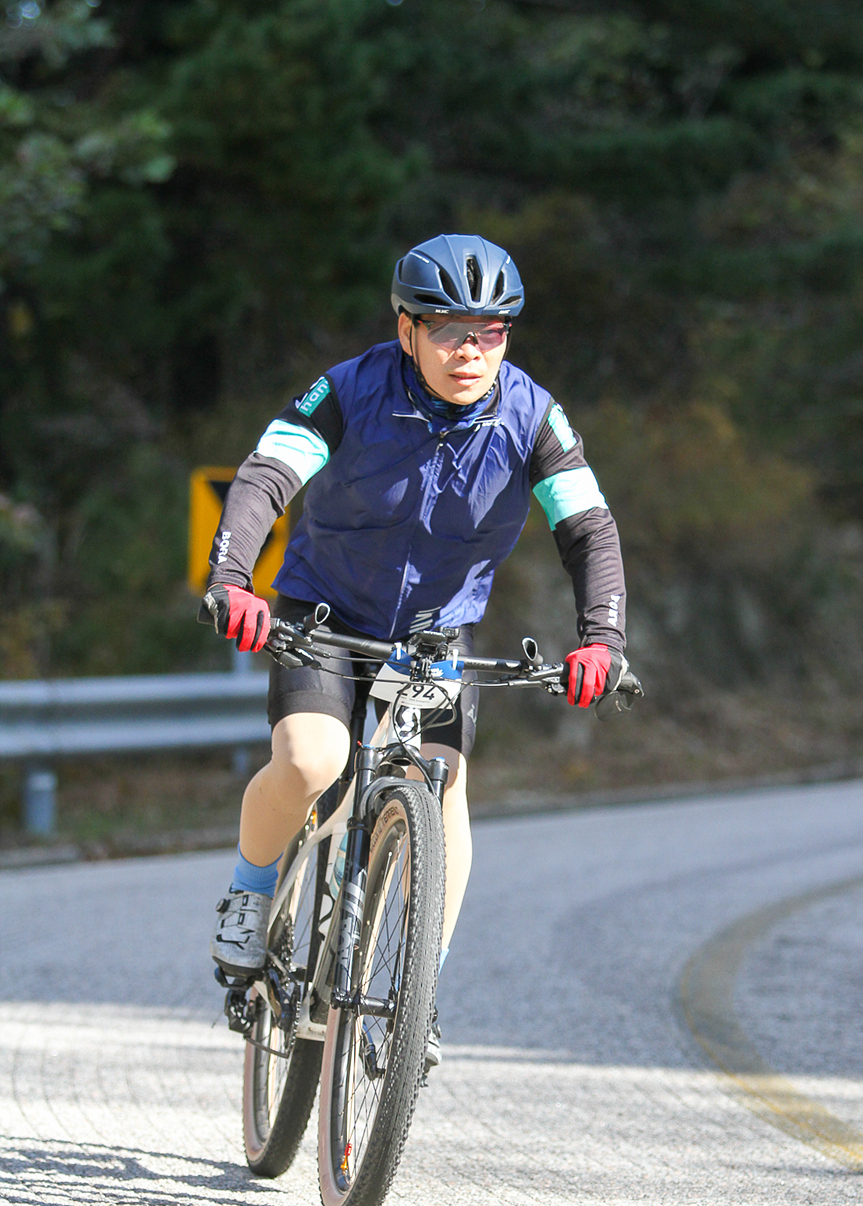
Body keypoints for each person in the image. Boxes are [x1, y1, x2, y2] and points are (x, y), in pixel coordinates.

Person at [204, 233, 627, 1059]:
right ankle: (250, 892)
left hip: (435, 634)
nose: (471, 352)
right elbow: (267, 476)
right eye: (450, 332)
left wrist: (602, 637)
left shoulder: (532, 416)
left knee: (445, 787)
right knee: (312, 761)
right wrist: (232, 578)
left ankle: (414, 992)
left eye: (491, 333)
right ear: (407, 330)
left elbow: (587, 527)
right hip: (323, 615)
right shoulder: (348, 390)